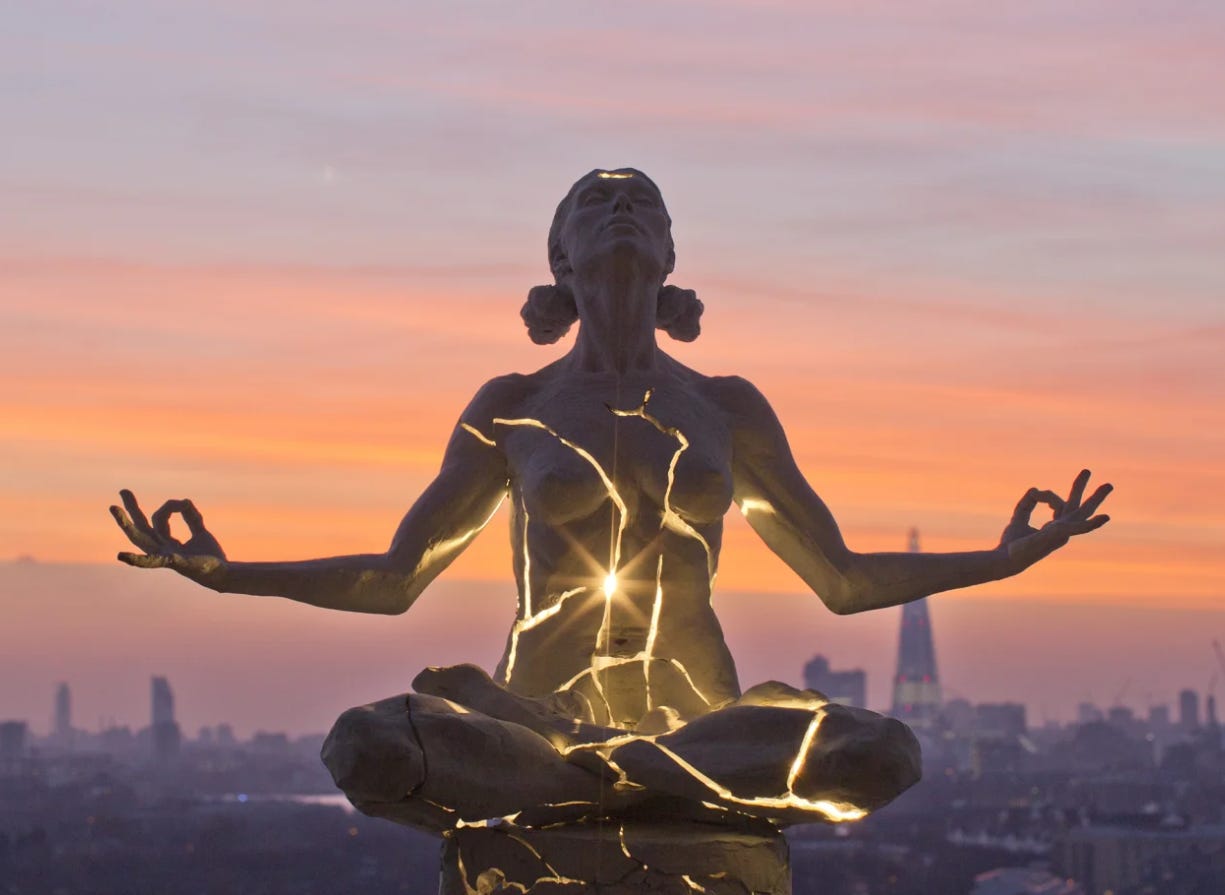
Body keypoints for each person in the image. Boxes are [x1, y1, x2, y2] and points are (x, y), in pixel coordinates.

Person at [111, 168, 1110, 830]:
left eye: (645, 203)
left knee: (882, 750)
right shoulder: (512, 406)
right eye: (595, 201)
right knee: (366, 745)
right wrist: (223, 573)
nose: (622, 206)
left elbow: (841, 579)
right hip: (530, 723)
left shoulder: (728, 407)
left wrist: (1004, 558)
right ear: (561, 259)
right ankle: (625, 784)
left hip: (699, 722)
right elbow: (392, 577)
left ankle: (612, 781)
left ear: (672, 254)